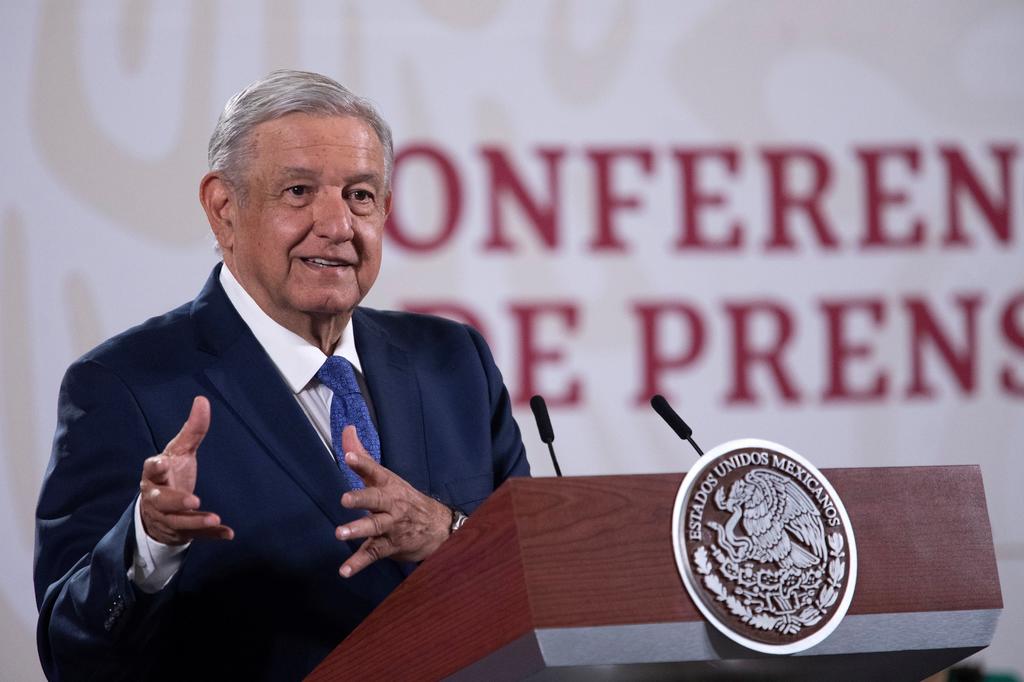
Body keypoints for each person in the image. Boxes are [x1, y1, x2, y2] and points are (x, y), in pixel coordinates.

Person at [33, 70, 530, 681]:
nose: (338, 225)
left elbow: (537, 577)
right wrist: (147, 543)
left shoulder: (454, 361)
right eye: (298, 191)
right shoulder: (125, 386)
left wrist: (446, 532)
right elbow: (70, 651)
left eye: (360, 195)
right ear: (224, 209)